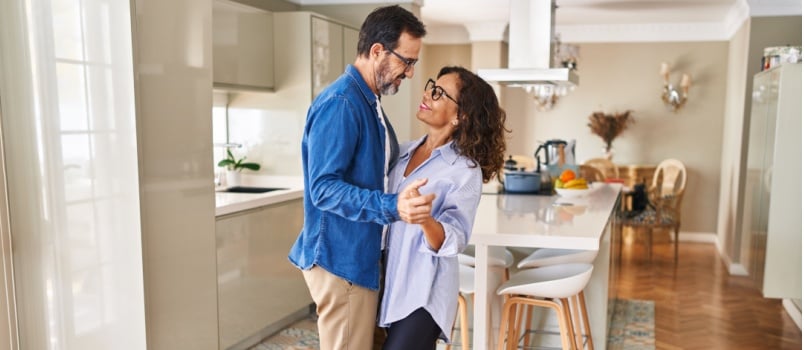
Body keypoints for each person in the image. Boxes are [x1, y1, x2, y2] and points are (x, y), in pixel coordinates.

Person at [287, 5, 433, 350]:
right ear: (377, 51)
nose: (410, 73)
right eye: (406, 62)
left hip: (360, 257)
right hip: (341, 260)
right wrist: (393, 205)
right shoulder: (342, 103)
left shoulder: (369, 102)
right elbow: (323, 189)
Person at [378, 66, 509, 350]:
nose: (427, 94)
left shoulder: (464, 170)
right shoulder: (401, 153)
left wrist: (424, 219)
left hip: (423, 290)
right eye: (431, 87)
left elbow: (455, 238)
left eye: (439, 93)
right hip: (386, 279)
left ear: (460, 115)